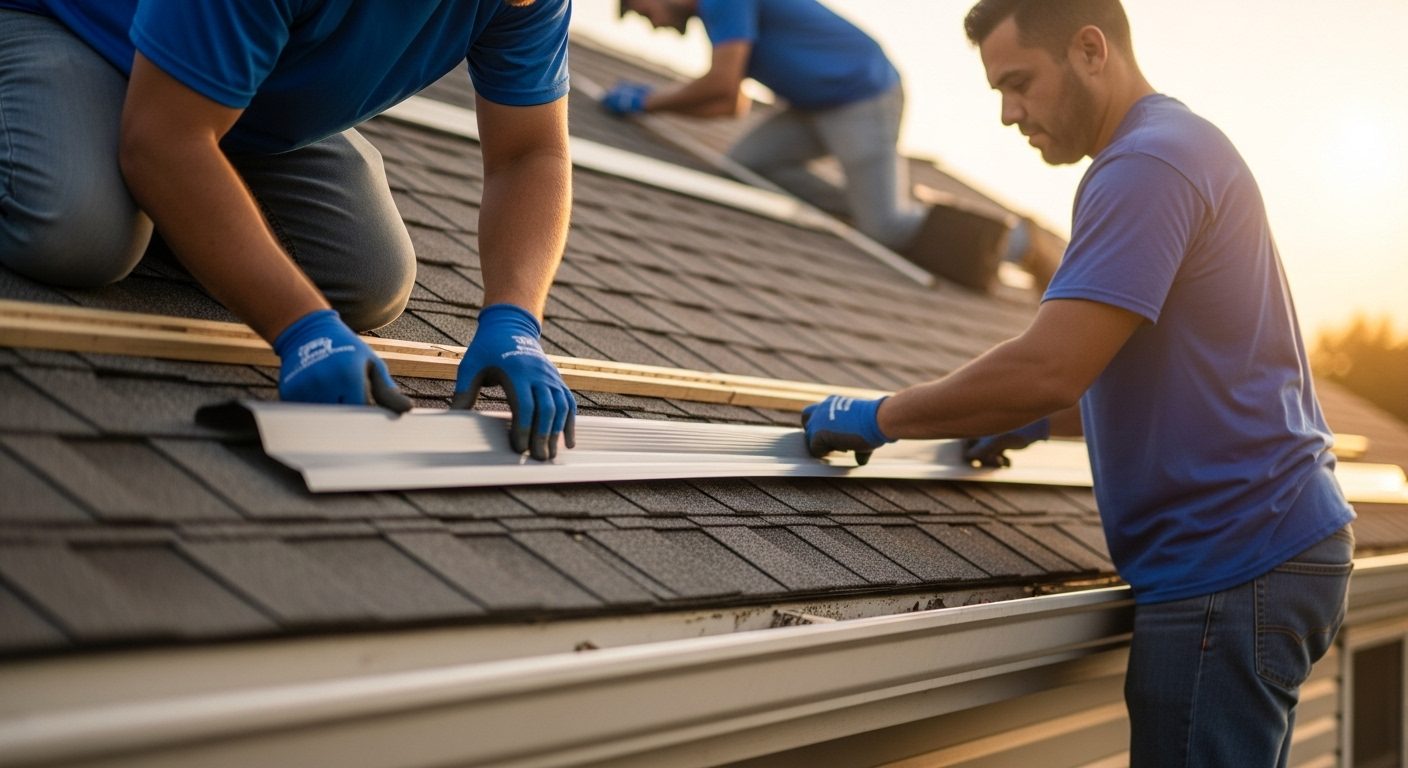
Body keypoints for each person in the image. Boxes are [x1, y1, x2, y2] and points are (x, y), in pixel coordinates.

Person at [800, 1, 1356, 765]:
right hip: (1270, 544)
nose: (1007, 113)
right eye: (998, 90)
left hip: (1229, 564)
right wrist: (1032, 418)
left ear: (1091, 50)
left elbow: (1049, 365)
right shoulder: (1173, 146)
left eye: (1020, 83)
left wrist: (881, 415)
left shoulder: (1145, 165)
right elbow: (1141, 373)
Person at [0, 0, 576, 460]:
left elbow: (529, 154)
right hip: (67, 27)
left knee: (367, 279)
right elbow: (161, 140)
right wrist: (300, 329)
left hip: (234, 95)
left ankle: (180, 188)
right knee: (79, 235)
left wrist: (515, 319)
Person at [606, 0, 925, 253]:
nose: (655, 25)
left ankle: (969, 236)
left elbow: (722, 86)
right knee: (747, 165)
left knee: (886, 228)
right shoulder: (713, 13)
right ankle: (872, 198)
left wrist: (646, 102)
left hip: (862, 96)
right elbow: (731, 105)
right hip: (813, 106)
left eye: (646, 12)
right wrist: (654, 102)